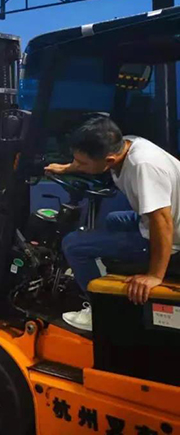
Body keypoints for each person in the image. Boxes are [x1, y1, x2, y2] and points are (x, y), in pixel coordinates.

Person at [46, 116, 180, 331]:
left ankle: (100, 311)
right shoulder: (126, 144)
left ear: (109, 161)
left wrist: (154, 276)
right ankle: (113, 283)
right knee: (113, 219)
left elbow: (162, 222)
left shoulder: (143, 167)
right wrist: (68, 168)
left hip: (173, 237)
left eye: (82, 163)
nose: (78, 165)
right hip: (160, 220)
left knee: (73, 245)